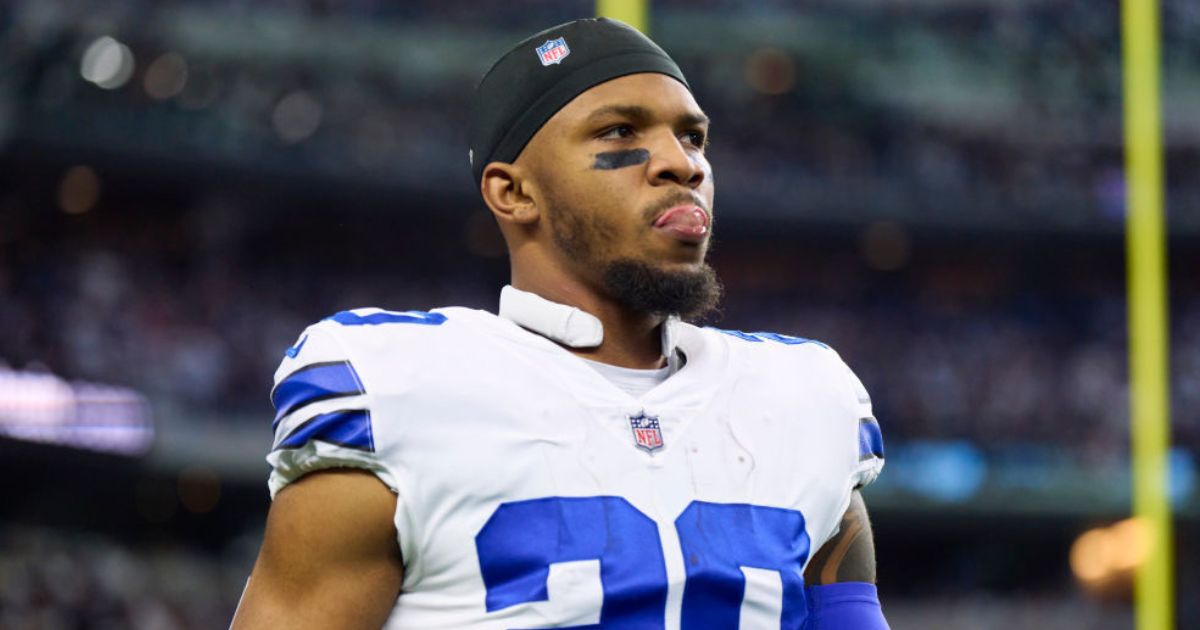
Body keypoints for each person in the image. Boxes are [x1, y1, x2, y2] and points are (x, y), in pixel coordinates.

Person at [231, 17, 888, 630]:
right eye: (619, 133)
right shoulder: (396, 389)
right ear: (512, 192)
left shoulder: (805, 397)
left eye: (692, 137)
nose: (683, 163)